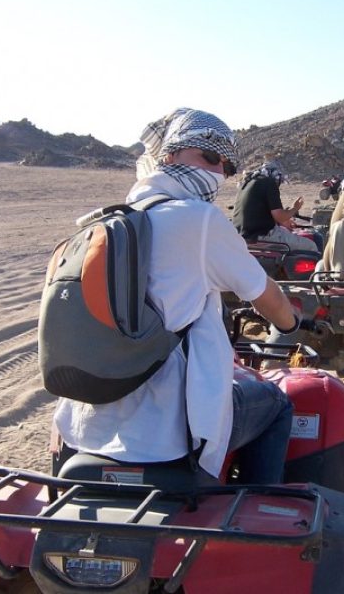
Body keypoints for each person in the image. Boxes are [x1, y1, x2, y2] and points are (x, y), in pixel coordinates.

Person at [53, 108, 298, 484]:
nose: (218, 171)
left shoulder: (108, 221)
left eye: (228, 167)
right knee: (277, 404)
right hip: (167, 436)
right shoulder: (198, 219)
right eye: (209, 156)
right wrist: (292, 322)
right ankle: (257, 527)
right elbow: (269, 299)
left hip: (81, 425)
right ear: (169, 153)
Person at [232, 160, 320, 252]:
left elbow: (256, 213)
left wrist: (283, 221)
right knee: (311, 246)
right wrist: (295, 208)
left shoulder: (246, 183)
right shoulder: (269, 182)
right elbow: (279, 216)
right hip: (262, 236)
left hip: (240, 237)